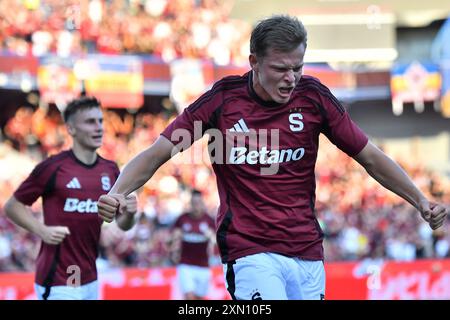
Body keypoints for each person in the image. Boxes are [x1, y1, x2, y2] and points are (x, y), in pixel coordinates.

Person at [97, 15, 448, 300]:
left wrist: (420, 199)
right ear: (254, 62)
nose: (291, 77)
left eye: (298, 66)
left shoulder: (314, 98)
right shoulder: (222, 102)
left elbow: (370, 156)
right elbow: (157, 153)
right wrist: (117, 191)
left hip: (308, 250)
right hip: (250, 251)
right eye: (281, 68)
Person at [5, 96, 138, 300]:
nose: (99, 127)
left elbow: (123, 224)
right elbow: (12, 206)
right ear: (71, 129)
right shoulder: (52, 168)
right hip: (57, 279)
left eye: (100, 121)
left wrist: (129, 213)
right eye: (90, 122)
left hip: (90, 277)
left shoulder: (110, 170)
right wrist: (41, 230)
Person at [170, 189, 215, 300]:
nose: (196, 206)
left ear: (202, 203)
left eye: (198, 203)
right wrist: (174, 240)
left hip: (203, 266)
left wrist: (211, 237)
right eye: (194, 203)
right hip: (186, 265)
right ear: (190, 204)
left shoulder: (209, 220)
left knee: (199, 297)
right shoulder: (182, 219)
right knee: (189, 297)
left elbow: (216, 242)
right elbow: (170, 240)